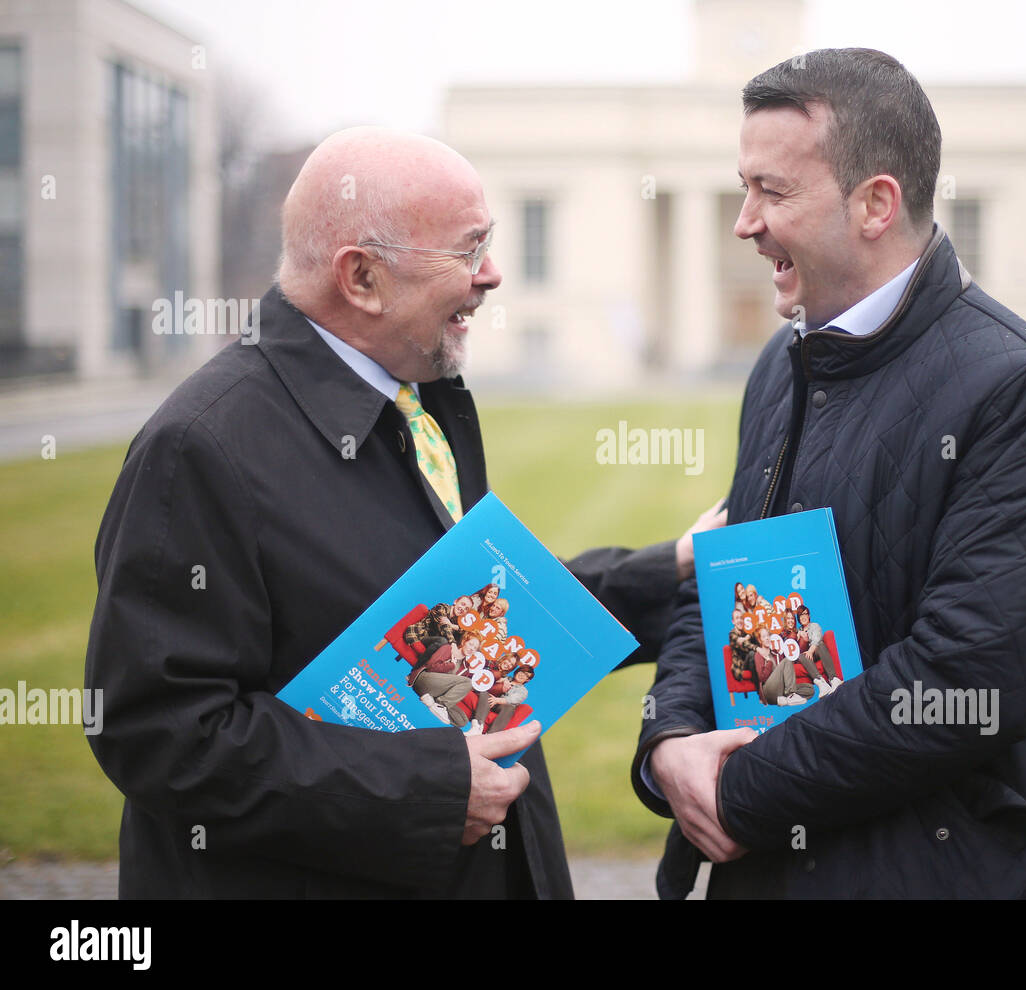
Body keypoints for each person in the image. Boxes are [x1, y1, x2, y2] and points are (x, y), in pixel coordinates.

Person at [85, 126, 723, 899]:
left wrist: (669, 572)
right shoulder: (199, 447)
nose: (492, 275)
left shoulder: (419, 398)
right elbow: (161, 737)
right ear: (361, 278)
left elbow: (472, 624)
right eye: (467, 249)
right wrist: (427, 789)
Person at [632, 49, 1026, 898]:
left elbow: (968, 683)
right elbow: (731, 582)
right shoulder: (782, 363)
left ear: (876, 203)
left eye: (772, 192)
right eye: (744, 188)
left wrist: (735, 792)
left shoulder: (1022, 388)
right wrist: (669, 741)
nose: (744, 221)